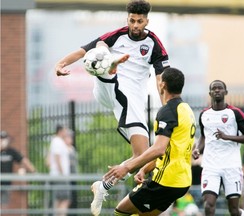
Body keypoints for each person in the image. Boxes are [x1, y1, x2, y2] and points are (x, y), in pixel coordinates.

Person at [54, 0, 169, 215]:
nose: (135, 25)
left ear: (147, 21)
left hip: (132, 99)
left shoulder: (154, 43)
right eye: (132, 20)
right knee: (100, 49)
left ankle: (103, 186)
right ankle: (110, 65)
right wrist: (61, 64)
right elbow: (82, 50)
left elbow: (161, 78)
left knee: (145, 157)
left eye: (140, 21)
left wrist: (166, 108)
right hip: (111, 88)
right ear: (127, 19)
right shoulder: (117, 34)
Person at [103, 67, 196, 216]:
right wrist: (144, 169)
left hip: (165, 181)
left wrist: (127, 167)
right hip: (182, 181)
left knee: (120, 211)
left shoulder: (167, 111)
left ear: (162, 85)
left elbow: (159, 149)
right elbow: (169, 150)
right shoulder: (186, 110)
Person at [192, 80, 244, 216]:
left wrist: (227, 137)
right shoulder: (204, 114)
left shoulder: (235, 113)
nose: (217, 90)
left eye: (220, 88)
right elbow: (204, 136)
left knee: (233, 210)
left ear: (225, 92)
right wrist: (198, 149)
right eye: (214, 88)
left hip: (231, 166)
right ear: (210, 93)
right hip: (210, 166)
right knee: (208, 205)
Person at [0, 131, 36, 206]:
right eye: (1, 139)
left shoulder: (11, 151)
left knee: (3, 206)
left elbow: (24, 160)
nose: (2, 141)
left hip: (6, 185)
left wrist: (33, 171)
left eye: (4, 139)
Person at [47, 125, 71, 216]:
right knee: (65, 199)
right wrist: (62, 173)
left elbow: (49, 160)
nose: (66, 133)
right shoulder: (57, 141)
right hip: (60, 176)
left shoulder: (57, 141)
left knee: (58, 200)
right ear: (60, 131)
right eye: (65, 131)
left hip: (58, 175)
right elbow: (57, 157)